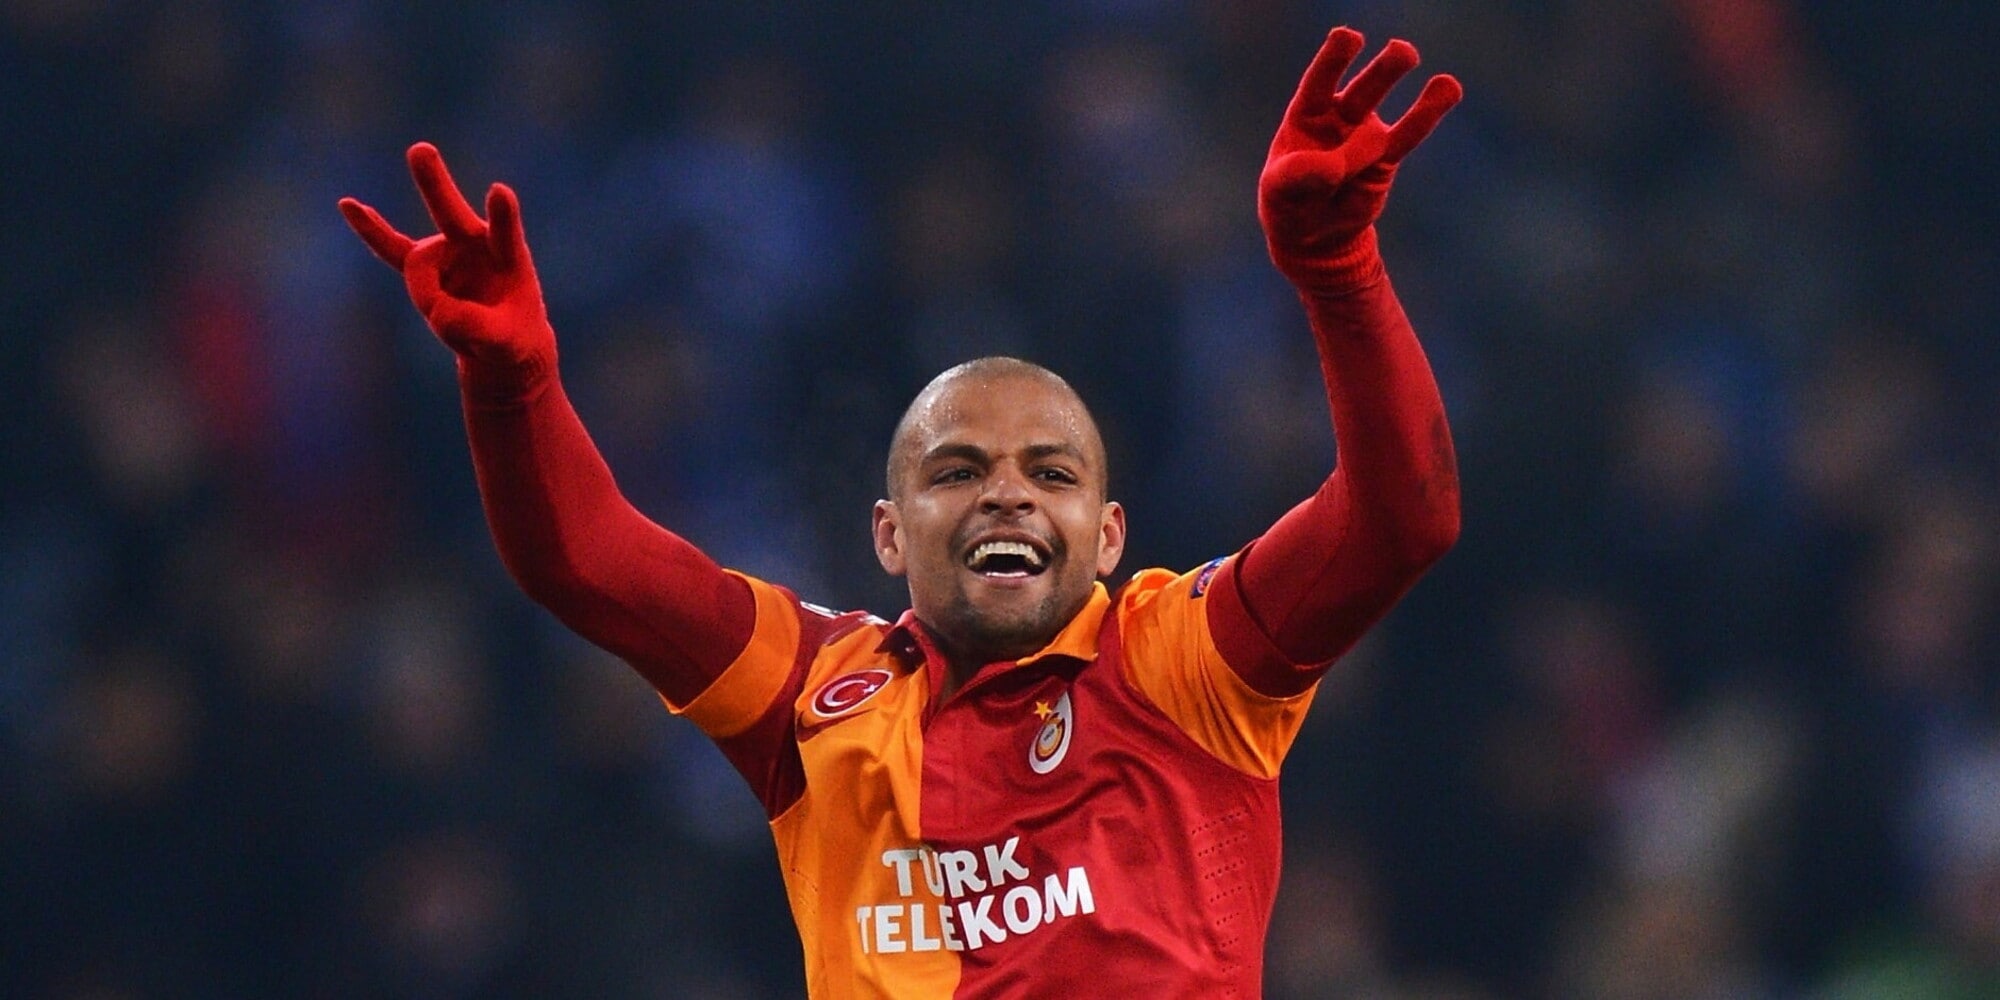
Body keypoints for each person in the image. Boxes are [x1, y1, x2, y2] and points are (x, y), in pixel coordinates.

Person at [340, 25, 1462, 999]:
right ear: (888, 533)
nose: (1007, 491)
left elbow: (1398, 523)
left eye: (1051, 473)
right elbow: (585, 562)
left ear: (1110, 535)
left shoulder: (1186, 662)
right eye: (958, 470)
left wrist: (1339, 270)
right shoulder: (811, 694)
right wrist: (511, 384)